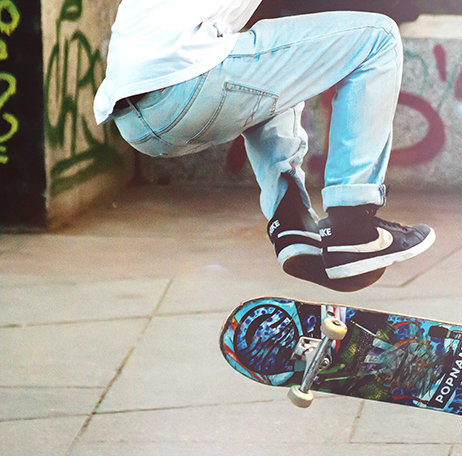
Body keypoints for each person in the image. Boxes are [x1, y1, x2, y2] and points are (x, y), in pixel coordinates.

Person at [93, 0, 435, 291]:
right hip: (187, 82)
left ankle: (291, 222)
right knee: (379, 36)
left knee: (277, 59)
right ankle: (353, 222)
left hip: (135, 118)